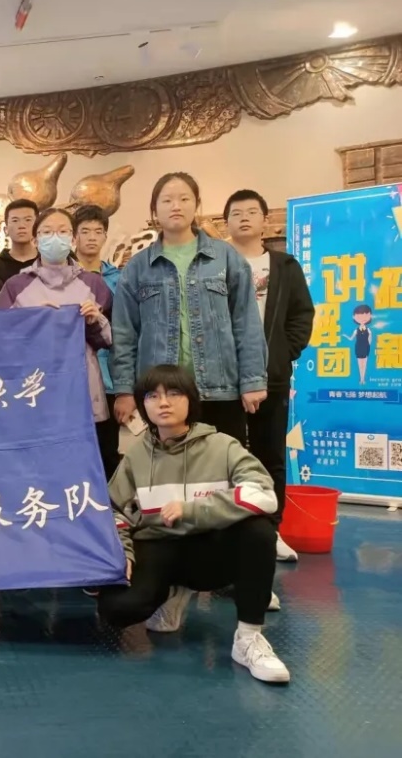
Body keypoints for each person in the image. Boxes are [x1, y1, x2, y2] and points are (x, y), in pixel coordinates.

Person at [97, 365, 289, 684]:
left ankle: (248, 639)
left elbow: (264, 496)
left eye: (174, 393)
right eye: (152, 396)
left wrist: (192, 510)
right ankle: (172, 593)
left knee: (258, 532)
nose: (163, 402)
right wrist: (125, 553)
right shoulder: (135, 457)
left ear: (191, 400)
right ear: (143, 405)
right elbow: (113, 511)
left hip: (210, 552)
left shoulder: (223, 447)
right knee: (115, 609)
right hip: (159, 546)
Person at [110, 172, 267, 444]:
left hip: (220, 389)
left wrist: (253, 380)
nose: (176, 206)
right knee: (168, 467)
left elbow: (246, 321)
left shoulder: (225, 257)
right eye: (167, 200)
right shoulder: (137, 266)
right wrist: (124, 390)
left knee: (221, 464)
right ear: (154, 209)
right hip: (161, 395)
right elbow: (124, 333)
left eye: (184, 199)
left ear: (196, 205)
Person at [225, 189, 314, 562]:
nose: (244, 218)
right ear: (226, 223)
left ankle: (270, 531)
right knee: (225, 456)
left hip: (271, 377)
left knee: (269, 455)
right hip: (223, 379)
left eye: (252, 212)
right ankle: (227, 533)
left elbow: (302, 314)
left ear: (265, 220)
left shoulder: (285, 266)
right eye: (236, 213)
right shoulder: (216, 264)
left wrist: (281, 352)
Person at [0, 208, 113, 424]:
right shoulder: (16, 285)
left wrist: (95, 321)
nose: (55, 238)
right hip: (32, 388)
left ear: (73, 239)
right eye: (47, 232)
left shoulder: (94, 284)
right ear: (35, 240)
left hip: (81, 388)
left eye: (63, 231)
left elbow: (107, 342)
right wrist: (32, 320)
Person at [73, 204, 122, 479]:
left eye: (98, 231)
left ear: (105, 236)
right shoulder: (64, 278)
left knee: (108, 450)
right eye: (85, 231)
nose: (92, 237)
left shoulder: (119, 278)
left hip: (111, 377)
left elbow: (126, 329)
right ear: (74, 236)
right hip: (75, 375)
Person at [0, 199, 39, 285]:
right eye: (15, 220)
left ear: (38, 226)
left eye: (28, 220)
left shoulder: (49, 264)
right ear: (6, 230)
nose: (21, 226)